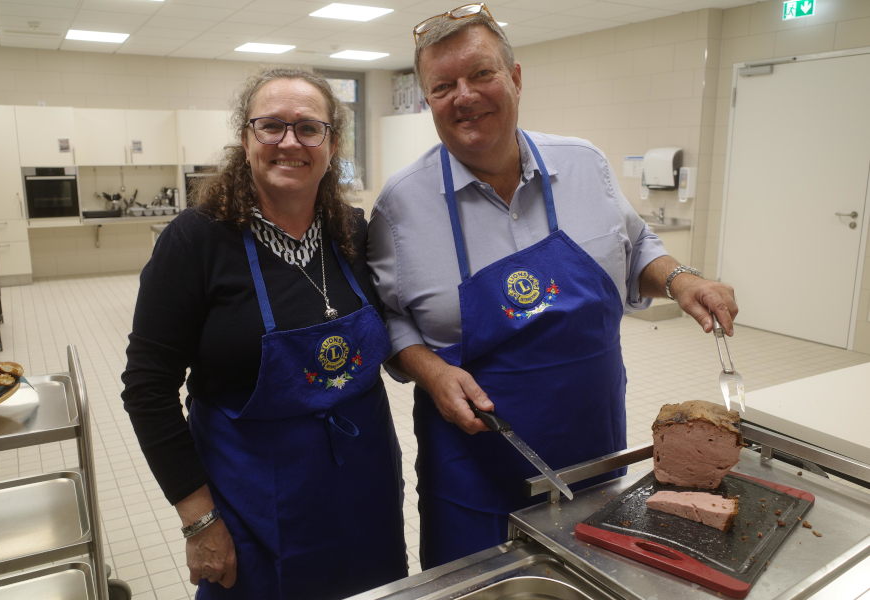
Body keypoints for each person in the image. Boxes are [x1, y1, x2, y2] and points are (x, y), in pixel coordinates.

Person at [367, 4, 738, 570]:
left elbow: (636, 246)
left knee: (595, 579)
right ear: (428, 101)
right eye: (443, 86)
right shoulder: (401, 205)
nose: (464, 95)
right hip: (472, 469)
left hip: (594, 451)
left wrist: (682, 279)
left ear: (515, 78)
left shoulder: (584, 164)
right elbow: (389, 317)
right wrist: (432, 371)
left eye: (482, 74)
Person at [122, 66, 408, 599]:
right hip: (253, 503)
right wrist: (199, 521)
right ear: (246, 138)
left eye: (308, 128)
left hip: (362, 496)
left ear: (332, 142)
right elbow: (147, 388)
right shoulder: (198, 240)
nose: (289, 142)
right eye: (271, 126)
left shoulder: (352, 231)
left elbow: (398, 324)